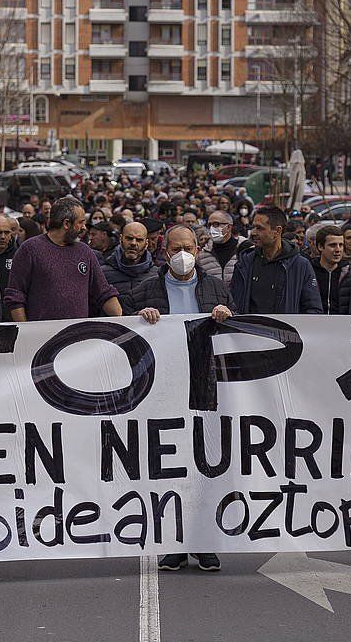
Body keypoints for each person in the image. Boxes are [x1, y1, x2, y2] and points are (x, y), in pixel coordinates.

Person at [129, 225, 232, 575]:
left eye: (188, 246)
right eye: (176, 247)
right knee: (169, 468)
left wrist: (224, 316)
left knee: (205, 467)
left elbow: (237, 331)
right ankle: (173, 545)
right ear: (164, 249)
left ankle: (205, 543)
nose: (183, 253)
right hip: (165, 388)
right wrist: (141, 320)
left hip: (205, 384)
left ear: (199, 248)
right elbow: (129, 338)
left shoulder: (217, 287)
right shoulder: (146, 290)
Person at [4, 196, 122, 321]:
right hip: (40, 337)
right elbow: (15, 296)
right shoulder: (30, 249)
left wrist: (128, 321)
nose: (84, 228)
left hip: (77, 336)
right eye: (80, 222)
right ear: (66, 223)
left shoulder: (85, 251)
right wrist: (25, 331)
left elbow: (103, 293)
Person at [230, 205, 323, 315]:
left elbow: (313, 308)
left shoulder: (300, 265)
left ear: (277, 231)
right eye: (253, 227)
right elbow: (234, 304)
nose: (253, 233)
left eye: (259, 228)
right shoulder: (244, 263)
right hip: (249, 330)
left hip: (285, 331)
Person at [101, 221, 156, 313]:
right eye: (129, 238)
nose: (133, 243)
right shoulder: (103, 274)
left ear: (146, 244)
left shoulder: (156, 275)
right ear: (121, 239)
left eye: (139, 240)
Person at [309, 225, 351, 315]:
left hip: (343, 326)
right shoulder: (308, 272)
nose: (338, 250)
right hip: (313, 324)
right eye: (333, 245)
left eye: (341, 245)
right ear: (320, 247)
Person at [196, 211, 243, 288]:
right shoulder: (203, 254)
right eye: (209, 225)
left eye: (216, 224)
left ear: (229, 227)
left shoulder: (244, 250)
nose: (211, 228)